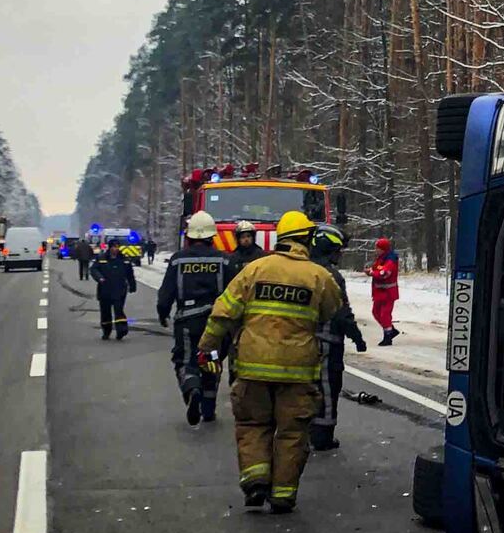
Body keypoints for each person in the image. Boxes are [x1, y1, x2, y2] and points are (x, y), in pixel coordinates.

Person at [196, 210, 343, 513]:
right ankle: (283, 494)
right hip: (298, 371)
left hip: (252, 367)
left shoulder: (254, 269)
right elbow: (331, 311)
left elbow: (223, 312)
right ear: (306, 239)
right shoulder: (319, 276)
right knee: (292, 432)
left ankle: (255, 482)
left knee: (252, 424)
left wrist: (206, 348)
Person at [157, 210, 233, 426]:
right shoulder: (224, 260)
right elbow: (234, 294)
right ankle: (208, 409)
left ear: (189, 236)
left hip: (187, 321)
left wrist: (163, 314)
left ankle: (192, 391)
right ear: (212, 236)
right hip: (217, 322)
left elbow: (166, 293)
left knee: (186, 360)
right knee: (211, 361)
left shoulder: (178, 260)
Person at [307, 225, 366, 451]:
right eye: (337, 250)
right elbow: (342, 312)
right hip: (327, 343)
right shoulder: (331, 276)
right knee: (328, 388)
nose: (339, 255)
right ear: (328, 249)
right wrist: (357, 338)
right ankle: (322, 436)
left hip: (301, 342)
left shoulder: (303, 270)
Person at [92, 237, 136, 340]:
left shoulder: (124, 259)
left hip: (119, 289)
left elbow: (130, 274)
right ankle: (106, 331)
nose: (115, 249)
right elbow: (94, 269)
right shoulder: (102, 258)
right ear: (109, 248)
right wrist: (100, 278)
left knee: (119, 310)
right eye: (113, 247)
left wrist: (132, 285)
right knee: (105, 312)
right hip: (105, 289)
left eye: (117, 247)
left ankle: (121, 330)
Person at [366, 236, 400, 346]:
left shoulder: (390, 260)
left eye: (378, 248)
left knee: (385, 314)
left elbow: (384, 273)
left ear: (383, 249)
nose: (376, 250)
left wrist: (372, 273)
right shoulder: (381, 258)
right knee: (376, 312)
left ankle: (388, 336)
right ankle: (391, 330)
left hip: (388, 292)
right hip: (379, 292)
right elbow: (377, 270)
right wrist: (370, 271)